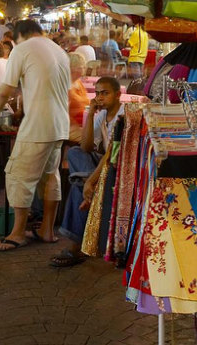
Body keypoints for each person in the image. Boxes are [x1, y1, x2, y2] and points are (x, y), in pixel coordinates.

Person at [0, 19, 70, 251]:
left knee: (18, 176)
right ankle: (46, 230)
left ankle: (17, 233)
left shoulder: (22, 49)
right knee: (50, 178)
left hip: (37, 126)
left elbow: (6, 90)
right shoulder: (59, 50)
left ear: (19, 36)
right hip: (58, 125)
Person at [50, 76, 123, 267]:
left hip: (118, 167)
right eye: (97, 93)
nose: (100, 97)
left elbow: (110, 156)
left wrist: (91, 180)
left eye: (105, 93)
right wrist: (90, 114)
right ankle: (86, 185)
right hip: (102, 165)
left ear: (118, 95)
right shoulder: (101, 115)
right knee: (74, 153)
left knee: (78, 187)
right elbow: (86, 146)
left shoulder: (123, 117)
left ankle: (76, 246)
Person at [67, 53, 90, 143]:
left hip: (82, 123)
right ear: (72, 68)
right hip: (71, 127)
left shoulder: (78, 82)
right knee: (95, 138)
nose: (84, 69)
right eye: (81, 67)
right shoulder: (66, 86)